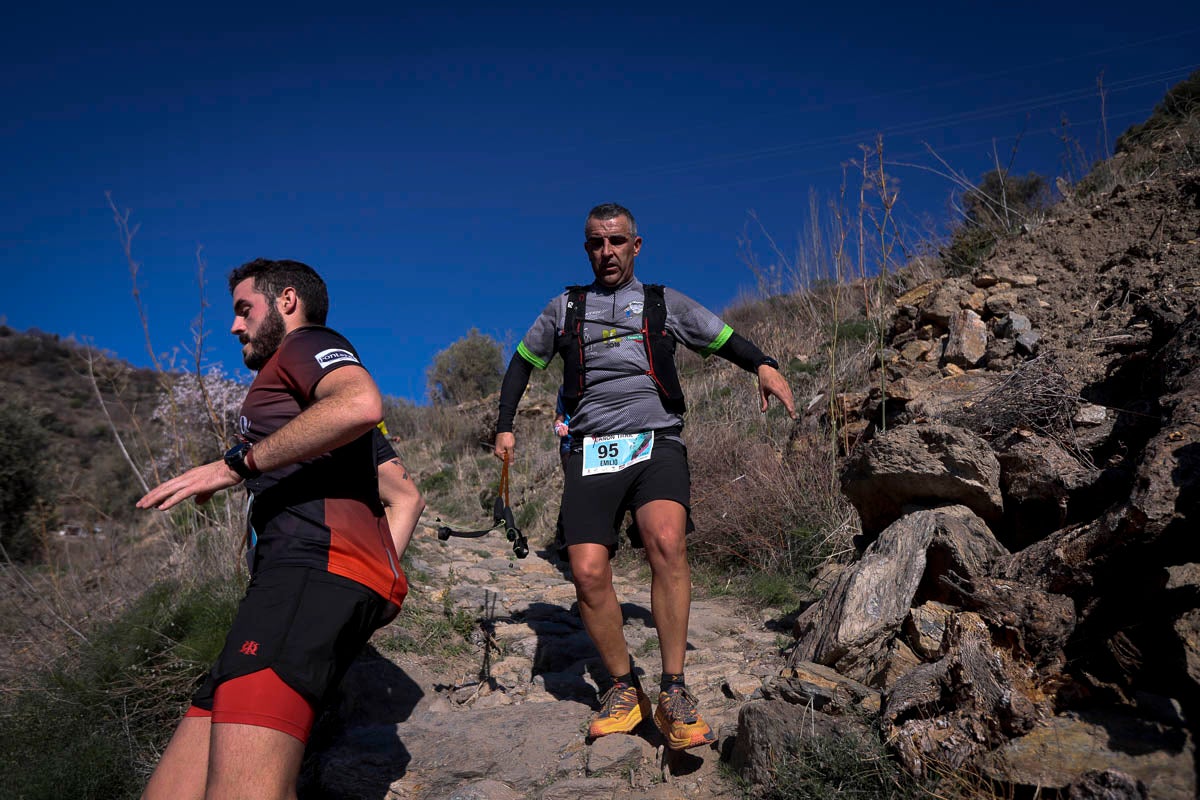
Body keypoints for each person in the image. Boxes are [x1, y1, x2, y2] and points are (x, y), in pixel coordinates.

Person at [494, 203, 796, 750]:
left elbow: (721, 337)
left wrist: (764, 364)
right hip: (591, 449)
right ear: (586, 249)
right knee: (586, 572)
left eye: (615, 242)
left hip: (656, 440)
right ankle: (622, 689)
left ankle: (674, 689)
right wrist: (505, 424)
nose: (605, 253)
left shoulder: (662, 302)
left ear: (637, 245)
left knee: (666, 541)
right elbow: (522, 361)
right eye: (595, 243)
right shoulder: (564, 308)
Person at [137, 258, 419, 800]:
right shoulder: (304, 408)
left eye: (245, 310)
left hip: (305, 576)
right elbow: (404, 494)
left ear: (287, 302)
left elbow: (360, 403)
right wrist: (380, 580)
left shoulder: (305, 344)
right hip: (285, 590)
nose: (234, 326)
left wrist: (235, 464)